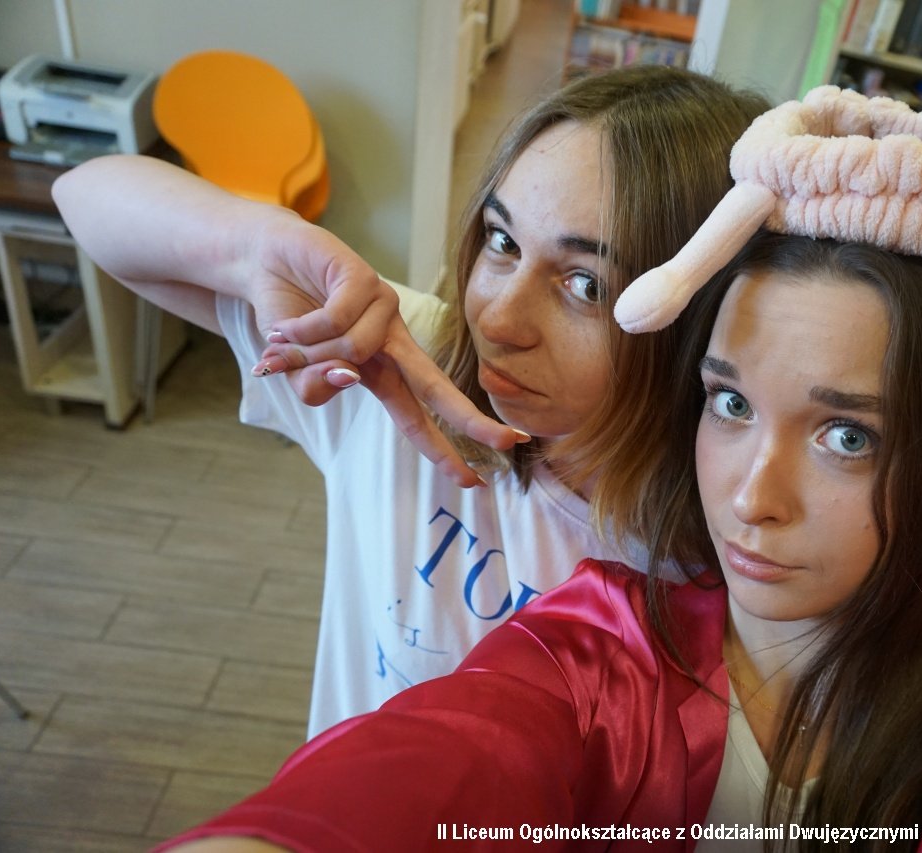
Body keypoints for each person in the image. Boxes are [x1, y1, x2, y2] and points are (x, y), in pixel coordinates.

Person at [153, 233, 922, 853]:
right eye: (729, 403)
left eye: (845, 435)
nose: (750, 494)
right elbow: (437, 762)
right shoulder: (594, 658)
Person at [51, 65, 771, 738]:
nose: (498, 319)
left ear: (698, 322)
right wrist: (255, 245)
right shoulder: (395, 366)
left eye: (586, 285)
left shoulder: (740, 562)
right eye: (502, 241)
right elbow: (85, 194)